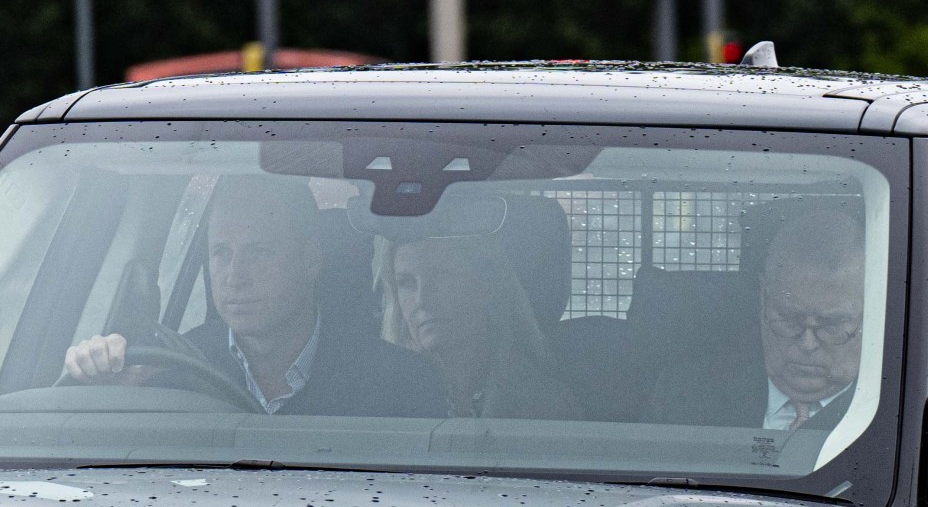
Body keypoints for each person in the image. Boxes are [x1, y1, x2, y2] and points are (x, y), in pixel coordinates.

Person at [64, 175, 446, 418]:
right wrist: (101, 384)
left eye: (258, 252)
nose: (234, 277)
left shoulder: (401, 384)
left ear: (310, 260)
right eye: (221, 253)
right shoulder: (165, 372)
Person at [649, 209, 864, 430]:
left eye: (832, 324)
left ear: (873, 311)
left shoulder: (896, 407)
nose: (807, 344)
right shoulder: (685, 396)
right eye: (789, 319)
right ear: (763, 299)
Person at [373, 233, 581, 420]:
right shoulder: (376, 401)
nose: (422, 299)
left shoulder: (544, 406)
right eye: (406, 283)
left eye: (441, 275)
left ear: (486, 285)